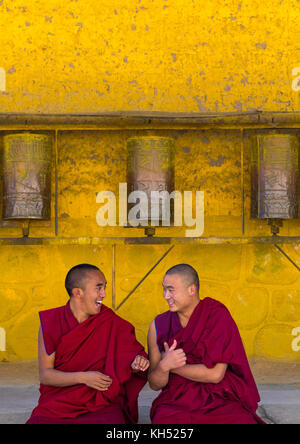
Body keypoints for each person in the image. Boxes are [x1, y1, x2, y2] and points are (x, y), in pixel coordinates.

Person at [27, 264, 149, 424]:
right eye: (98, 288)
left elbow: (128, 360)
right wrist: (83, 378)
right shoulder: (51, 322)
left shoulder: (110, 322)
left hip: (100, 402)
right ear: (78, 292)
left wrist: (135, 364)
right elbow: (46, 375)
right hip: (58, 402)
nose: (104, 294)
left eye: (104, 287)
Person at [147, 264, 265, 424]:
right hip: (177, 399)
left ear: (191, 290)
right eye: (164, 290)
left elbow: (215, 375)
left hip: (218, 396)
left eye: (171, 290)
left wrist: (173, 366)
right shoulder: (158, 325)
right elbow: (154, 383)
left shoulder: (217, 316)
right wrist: (163, 367)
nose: (166, 296)